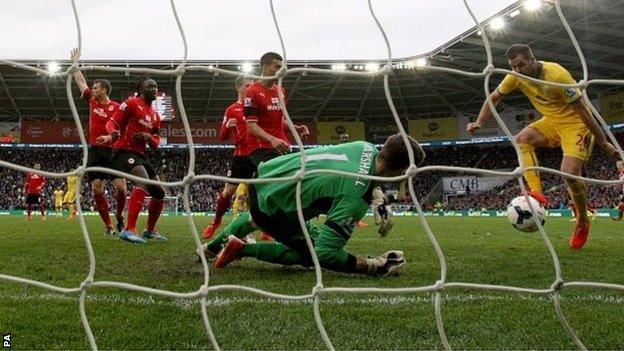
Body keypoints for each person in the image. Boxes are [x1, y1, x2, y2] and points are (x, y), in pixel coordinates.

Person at [200, 134, 425, 277]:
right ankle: (242, 249)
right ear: (403, 170)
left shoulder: (363, 146)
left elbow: (357, 173)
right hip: (273, 207)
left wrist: (377, 194)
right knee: (312, 255)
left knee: (256, 218)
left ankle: (209, 248)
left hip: (267, 175)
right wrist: (375, 265)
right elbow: (326, 254)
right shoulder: (353, 200)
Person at [466, 43, 617, 250]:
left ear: (532, 59)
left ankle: (582, 220)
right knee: (521, 139)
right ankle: (536, 193)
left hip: (576, 125)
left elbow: (583, 111)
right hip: (552, 123)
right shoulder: (515, 76)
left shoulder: (557, 75)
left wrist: (603, 142)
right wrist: (479, 122)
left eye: (520, 65)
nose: (517, 70)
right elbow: (493, 97)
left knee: (569, 174)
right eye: (513, 66)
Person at [243, 52, 310, 240]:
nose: (281, 70)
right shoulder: (252, 92)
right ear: (265, 67)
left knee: (291, 184)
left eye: (282, 66)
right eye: (277, 66)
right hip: (261, 147)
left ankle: (265, 222)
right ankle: (262, 222)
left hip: (283, 146)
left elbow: (279, 120)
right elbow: (251, 125)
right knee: (278, 186)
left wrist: (295, 128)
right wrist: (271, 139)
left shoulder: (281, 90)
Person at [104, 77, 167, 244]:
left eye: (155, 85)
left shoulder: (155, 116)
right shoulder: (131, 104)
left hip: (140, 155)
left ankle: (150, 230)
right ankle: (128, 229)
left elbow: (155, 143)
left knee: (159, 193)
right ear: (141, 89)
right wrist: (112, 133)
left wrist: (148, 137)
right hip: (123, 151)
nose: (154, 88)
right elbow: (112, 121)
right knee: (143, 180)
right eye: (150, 86)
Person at [71, 48, 127, 235]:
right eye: (92, 88)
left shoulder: (117, 107)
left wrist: (110, 137)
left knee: (120, 187)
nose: (92, 90)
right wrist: (75, 64)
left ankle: (119, 215)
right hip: (95, 151)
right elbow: (81, 81)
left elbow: (120, 132)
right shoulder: (92, 102)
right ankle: (109, 225)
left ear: (104, 90)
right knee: (97, 189)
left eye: (95, 88)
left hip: (112, 150)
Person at [202, 76, 257, 239]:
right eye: (247, 86)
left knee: (259, 192)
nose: (250, 88)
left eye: (252, 86)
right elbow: (222, 136)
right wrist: (227, 126)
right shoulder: (232, 109)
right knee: (228, 192)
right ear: (239, 88)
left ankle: (265, 229)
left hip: (257, 154)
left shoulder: (256, 107)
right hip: (240, 157)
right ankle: (216, 222)